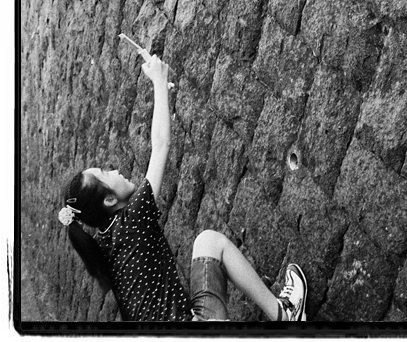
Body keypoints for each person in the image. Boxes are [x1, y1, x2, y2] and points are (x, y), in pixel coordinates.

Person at [59, 53, 307, 322]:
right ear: (109, 200)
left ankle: (283, 316)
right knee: (211, 243)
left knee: (209, 242)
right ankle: (285, 317)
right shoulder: (132, 221)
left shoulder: (105, 244)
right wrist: (159, 80)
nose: (115, 170)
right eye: (106, 174)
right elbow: (161, 145)